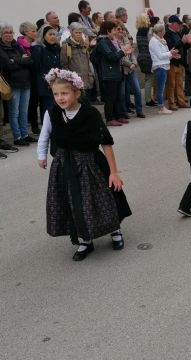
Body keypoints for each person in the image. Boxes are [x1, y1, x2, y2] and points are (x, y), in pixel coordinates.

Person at [37, 68, 132, 261]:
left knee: (103, 198)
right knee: (73, 201)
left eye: (64, 93)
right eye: (56, 94)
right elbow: (45, 135)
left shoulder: (90, 113)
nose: (60, 98)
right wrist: (41, 155)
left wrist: (113, 172)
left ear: (77, 92)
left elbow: (106, 143)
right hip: (64, 164)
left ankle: (115, 230)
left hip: (90, 162)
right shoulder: (52, 113)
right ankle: (84, 239)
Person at [0, 24, 35, 146]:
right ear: (1, 35)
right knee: (14, 112)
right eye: (6, 32)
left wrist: (15, 60)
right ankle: (17, 137)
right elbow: (8, 65)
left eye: (11, 32)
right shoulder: (1, 49)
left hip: (25, 83)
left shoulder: (17, 46)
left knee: (24, 111)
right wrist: (21, 60)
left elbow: (30, 61)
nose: (9, 34)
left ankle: (25, 134)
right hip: (12, 85)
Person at [95, 20, 133, 126]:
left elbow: (116, 55)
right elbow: (111, 56)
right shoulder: (103, 42)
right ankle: (110, 118)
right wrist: (123, 51)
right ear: (108, 31)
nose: (116, 32)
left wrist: (123, 52)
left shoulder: (110, 41)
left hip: (116, 72)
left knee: (117, 97)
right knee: (110, 98)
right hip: (108, 74)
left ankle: (118, 115)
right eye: (114, 30)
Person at [31, 25, 61, 120]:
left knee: (56, 108)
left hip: (55, 83)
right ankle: (47, 130)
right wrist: (45, 81)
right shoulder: (38, 48)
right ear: (43, 36)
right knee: (47, 108)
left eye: (54, 34)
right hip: (43, 83)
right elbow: (35, 68)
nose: (52, 36)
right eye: (50, 34)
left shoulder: (56, 48)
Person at [60, 23, 95, 101]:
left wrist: (91, 76)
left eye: (80, 32)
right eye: (76, 32)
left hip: (86, 79)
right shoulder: (66, 46)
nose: (79, 34)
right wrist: (71, 79)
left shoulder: (83, 45)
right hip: (75, 80)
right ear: (71, 32)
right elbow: (64, 65)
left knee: (86, 104)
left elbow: (87, 62)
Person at [165, 15, 191, 111]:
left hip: (180, 62)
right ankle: (172, 103)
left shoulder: (177, 33)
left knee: (180, 84)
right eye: (178, 24)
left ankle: (181, 102)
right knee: (171, 85)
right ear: (172, 24)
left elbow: (181, 46)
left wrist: (188, 43)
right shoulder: (167, 34)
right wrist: (182, 41)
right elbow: (171, 47)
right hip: (172, 62)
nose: (179, 26)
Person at [149, 23, 178, 115]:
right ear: (160, 31)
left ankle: (161, 107)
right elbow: (160, 55)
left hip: (164, 65)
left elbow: (165, 53)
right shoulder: (154, 41)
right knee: (160, 88)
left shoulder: (161, 40)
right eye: (164, 31)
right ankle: (161, 108)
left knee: (161, 87)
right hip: (159, 66)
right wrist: (170, 53)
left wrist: (172, 55)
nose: (164, 33)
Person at [17, 22, 40, 134]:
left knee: (34, 101)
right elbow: (25, 62)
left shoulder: (35, 45)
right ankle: (32, 125)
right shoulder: (20, 45)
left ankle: (34, 125)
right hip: (26, 77)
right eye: (33, 31)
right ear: (26, 32)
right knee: (31, 103)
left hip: (35, 76)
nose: (36, 33)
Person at [136, 13, 155, 106]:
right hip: (148, 56)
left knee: (148, 78)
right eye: (147, 18)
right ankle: (148, 100)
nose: (149, 19)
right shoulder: (149, 30)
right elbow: (152, 43)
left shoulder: (138, 32)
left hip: (141, 56)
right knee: (149, 79)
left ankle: (149, 99)